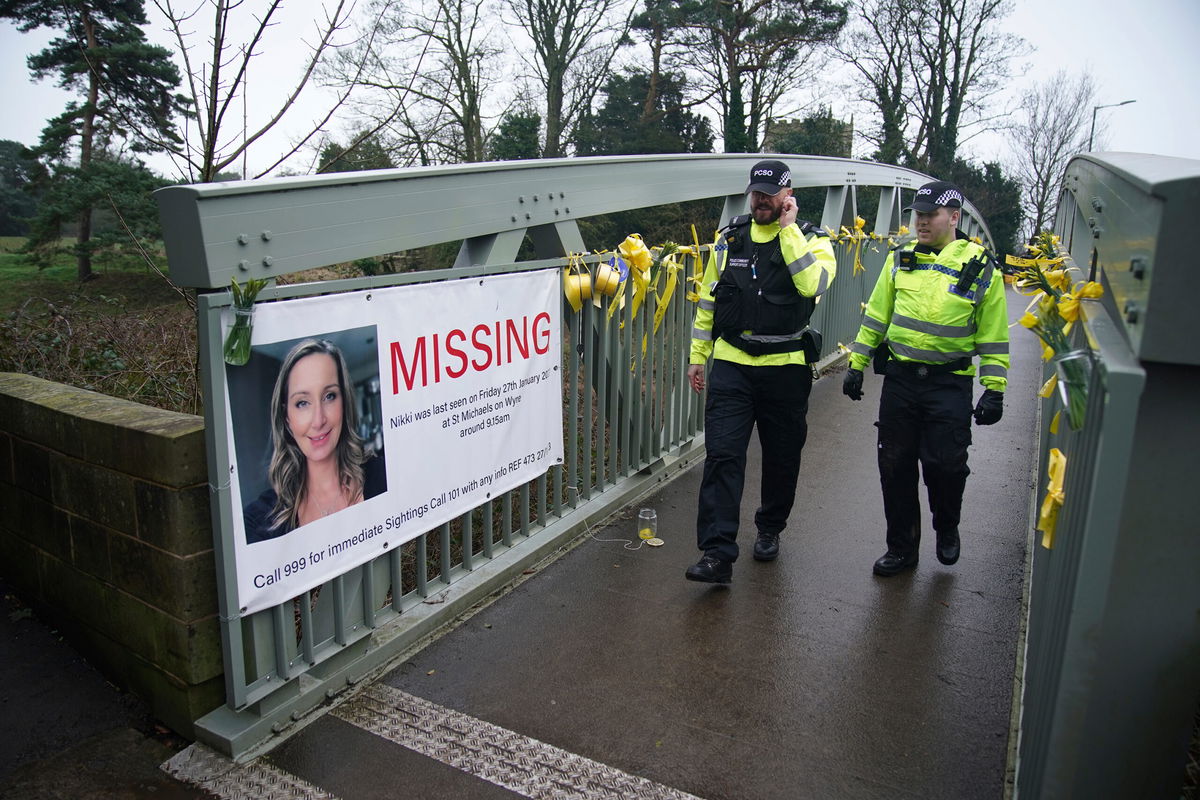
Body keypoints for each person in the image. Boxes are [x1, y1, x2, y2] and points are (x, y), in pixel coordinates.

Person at [842, 180, 1009, 576]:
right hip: (900, 380)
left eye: (929, 215)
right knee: (894, 465)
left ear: (953, 217)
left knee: (946, 466)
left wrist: (995, 389)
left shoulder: (980, 266)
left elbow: (993, 334)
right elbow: (877, 315)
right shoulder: (901, 258)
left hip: (948, 384)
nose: (921, 222)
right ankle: (901, 548)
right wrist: (856, 363)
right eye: (917, 214)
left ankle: (946, 526)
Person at [684, 159, 838, 584]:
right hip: (733, 365)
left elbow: (813, 285)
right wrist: (699, 355)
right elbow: (709, 302)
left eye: (770, 194)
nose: (761, 201)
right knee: (723, 455)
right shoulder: (730, 239)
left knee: (782, 457)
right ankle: (717, 553)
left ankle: (770, 527)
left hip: (785, 369)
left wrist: (788, 231)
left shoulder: (813, 240)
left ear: (788, 196)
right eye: (756, 192)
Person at [244, 338, 386, 544]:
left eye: (329, 396)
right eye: (302, 403)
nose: (318, 420)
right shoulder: (257, 521)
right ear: (287, 419)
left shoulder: (383, 475)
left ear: (344, 403)